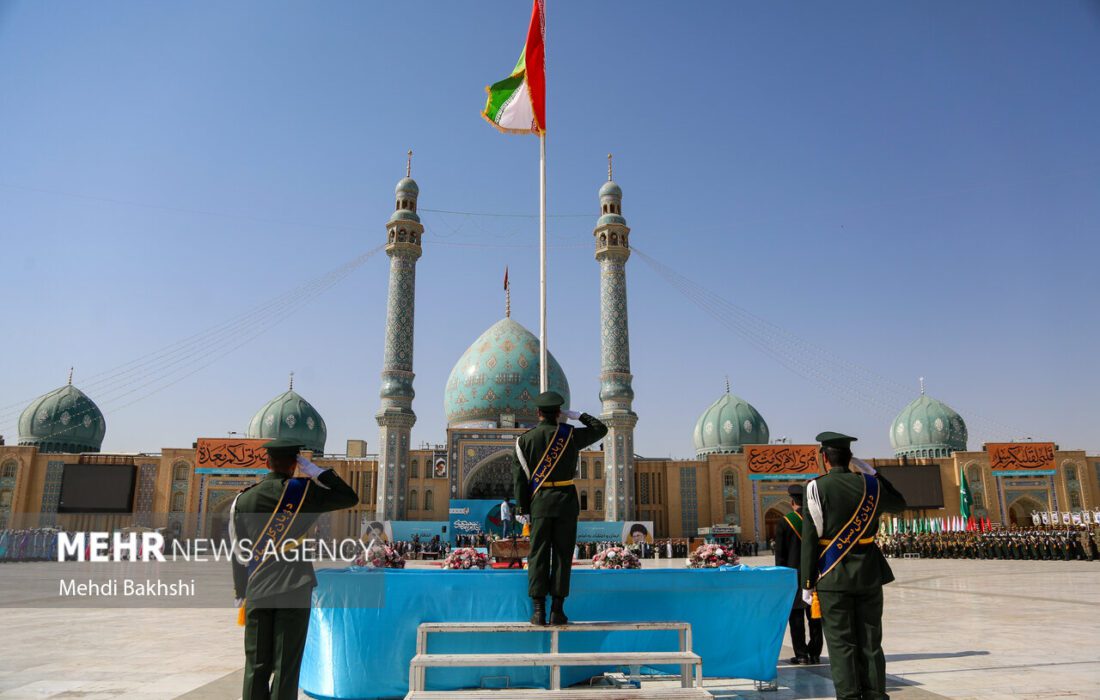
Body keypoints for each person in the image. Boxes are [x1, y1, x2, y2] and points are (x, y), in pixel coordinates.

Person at [230, 438, 359, 700]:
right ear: (295, 465)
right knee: (286, 665)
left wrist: (241, 591)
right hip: (293, 587)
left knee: (255, 665)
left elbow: (237, 552)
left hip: (257, 588)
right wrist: (317, 472)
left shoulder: (243, 500)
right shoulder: (303, 491)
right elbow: (349, 497)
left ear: (267, 462)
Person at [800, 432, 906, 700]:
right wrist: (876, 474)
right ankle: (875, 695)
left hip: (832, 578)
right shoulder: (871, 486)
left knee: (841, 644)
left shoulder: (815, 488)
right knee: (871, 643)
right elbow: (900, 504)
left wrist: (807, 583)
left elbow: (811, 540)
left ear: (824, 458)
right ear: (851, 459)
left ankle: (848, 696)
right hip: (869, 575)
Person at [513, 391, 607, 625]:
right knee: (563, 557)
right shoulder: (569, 435)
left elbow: (520, 480)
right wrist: (578, 415)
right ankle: (557, 610)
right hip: (566, 502)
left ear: (538, 413)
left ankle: (538, 611)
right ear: (559, 413)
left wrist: (522, 509)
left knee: (538, 555)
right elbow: (601, 429)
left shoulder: (524, 440)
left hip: (540, 504)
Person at [774, 483, 823, 665]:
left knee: (796, 618)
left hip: (794, 577)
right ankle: (815, 653)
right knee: (815, 617)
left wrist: (781, 580)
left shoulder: (785, 522)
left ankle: (801, 655)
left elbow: (780, 556)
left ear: (792, 501)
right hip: (816, 575)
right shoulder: (818, 520)